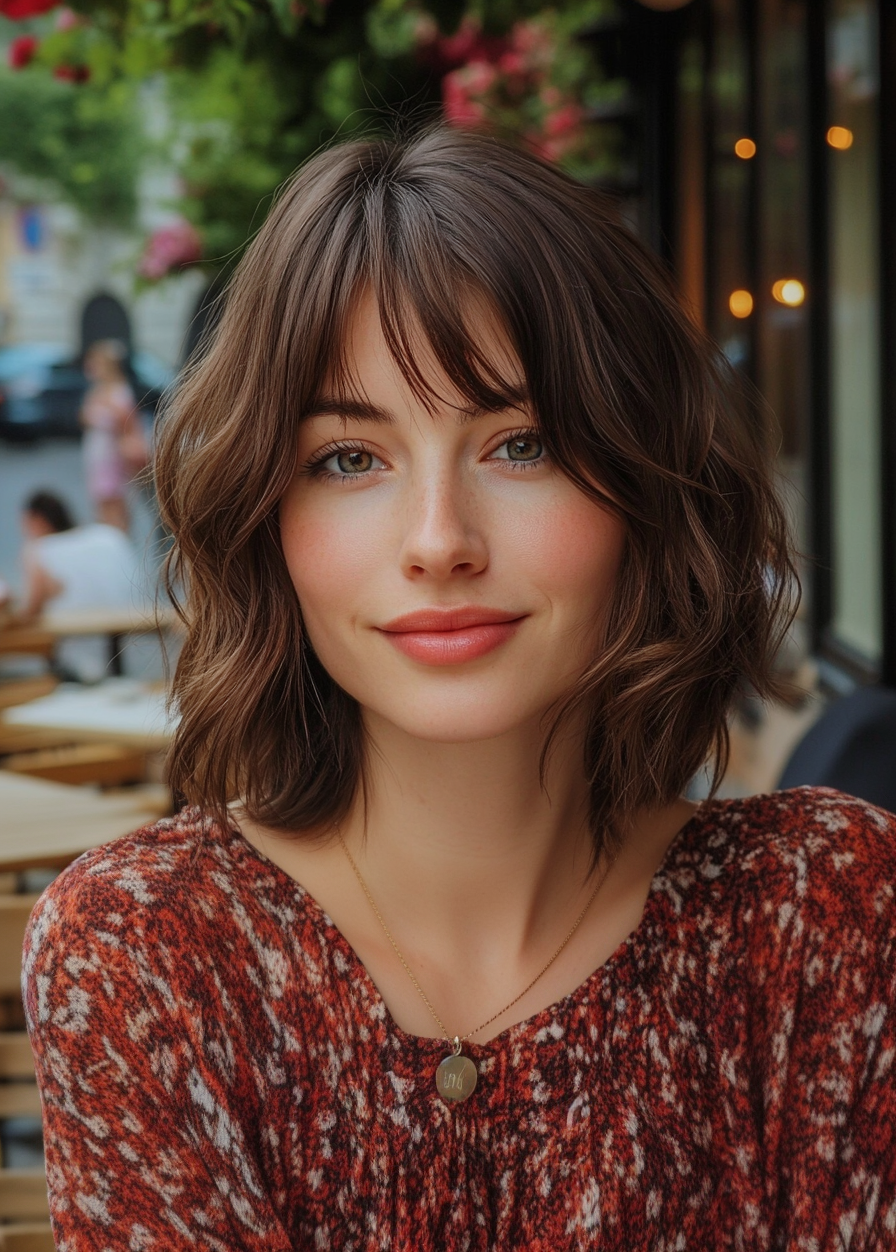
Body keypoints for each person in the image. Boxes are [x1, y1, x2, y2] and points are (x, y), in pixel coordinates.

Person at [22, 127, 895, 1249]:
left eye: (519, 442)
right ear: (265, 517)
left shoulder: (825, 915)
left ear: (642, 486)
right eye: (349, 458)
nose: (438, 542)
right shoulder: (149, 956)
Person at [17, 489, 140, 681]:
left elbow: (32, 608)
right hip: (131, 642)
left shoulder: (40, 550)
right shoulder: (107, 536)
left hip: (78, 654)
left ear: (37, 520)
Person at [80, 337, 147, 532]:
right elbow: (84, 418)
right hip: (97, 454)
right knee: (101, 507)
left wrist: (107, 405)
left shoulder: (119, 392)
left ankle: (120, 549)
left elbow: (129, 423)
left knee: (117, 508)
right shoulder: (97, 390)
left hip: (113, 456)